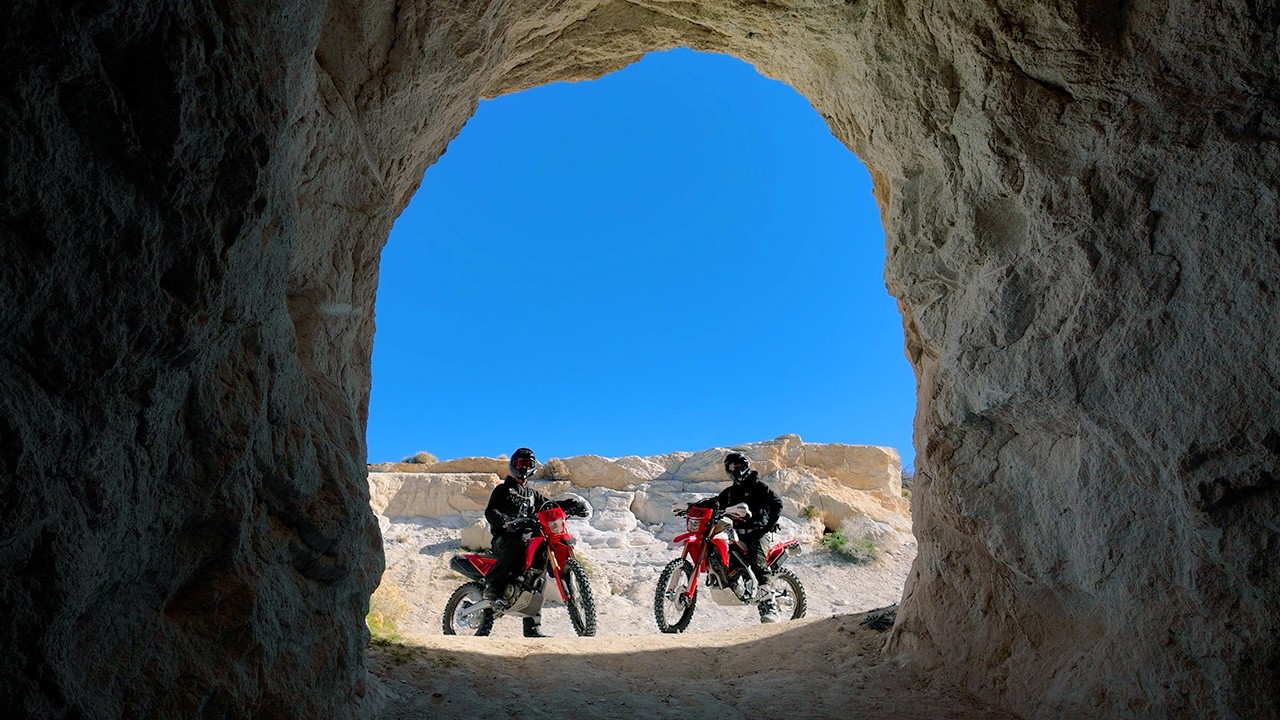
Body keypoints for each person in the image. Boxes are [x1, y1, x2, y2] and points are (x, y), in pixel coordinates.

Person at [482, 447, 588, 637]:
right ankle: (493, 587)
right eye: (520, 463)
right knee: (517, 544)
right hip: (504, 538)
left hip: (529, 538)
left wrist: (570, 504)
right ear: (512, 465)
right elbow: (491, 512)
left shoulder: (532, 495)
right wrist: (506, 521)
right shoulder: (503, 490)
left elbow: (550, 506)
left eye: (528, 464)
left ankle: (532, 628)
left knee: (537, 576)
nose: (524, 468)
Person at [693, 451, 785, 622]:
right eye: (732, 466)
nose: (736, 469)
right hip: (737, 534)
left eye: (739, 466)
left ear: (746, 466)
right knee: (724, 557)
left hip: (758, 533)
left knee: (758, 561)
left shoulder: (759, 487)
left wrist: (768, 526)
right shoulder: (730, 492)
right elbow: (717, 502)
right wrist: (697, 505)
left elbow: (777, 504)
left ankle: (769, 604)